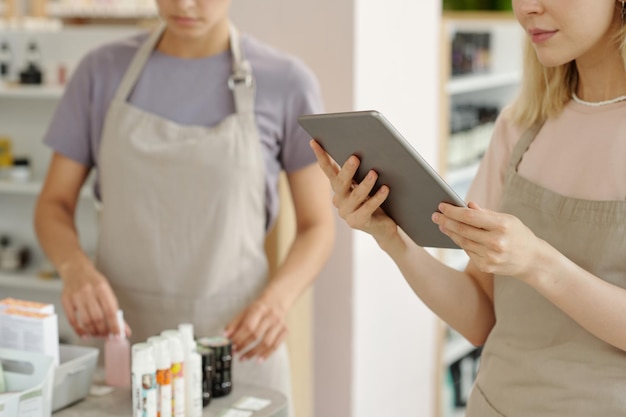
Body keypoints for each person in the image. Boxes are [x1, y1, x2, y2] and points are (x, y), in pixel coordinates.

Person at [310, 0, 626, 415]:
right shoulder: (521, 126)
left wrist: (538, 263)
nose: (528, 7)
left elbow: (535, 266)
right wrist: (393, 237)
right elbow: (480, 316)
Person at [34, 0, 335, 410]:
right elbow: (53, 203)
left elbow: (317, 224)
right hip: (125, 348)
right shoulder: (100, 72)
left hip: (238, 351)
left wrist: (277, 302)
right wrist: (74, 269)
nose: (184, 4)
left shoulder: (286, 82)